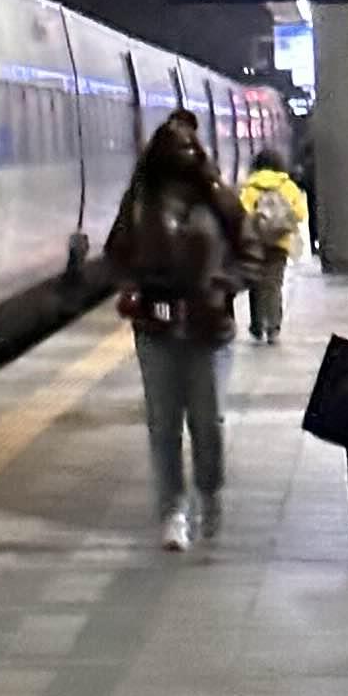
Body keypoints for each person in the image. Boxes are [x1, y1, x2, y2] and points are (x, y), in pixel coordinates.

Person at [103, 109, 245, 552]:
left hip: (209, 327)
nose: (182, 156)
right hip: (156, 326)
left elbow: (249, 248)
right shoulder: (140, 200)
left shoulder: (218, 199)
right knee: (163, 424)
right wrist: (131, 285)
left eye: (189, 148)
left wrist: (225, 286)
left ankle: (210, 493)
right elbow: (117, 252)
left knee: (208, 421)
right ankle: (172, 511)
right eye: (174, 148)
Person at [237, 147, 306, 342]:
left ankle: (257, 325)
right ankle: (273, 327)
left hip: (256, 243)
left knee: (256, 284)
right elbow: (300, 213)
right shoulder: (288, 186)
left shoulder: (250, 187)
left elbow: (243, 213)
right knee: (274, 285)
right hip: (279, 244)